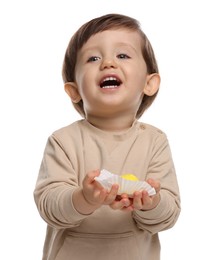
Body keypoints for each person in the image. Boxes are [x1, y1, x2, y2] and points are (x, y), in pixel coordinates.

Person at [33, 13, 181, 260]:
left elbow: (168, 216)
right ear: (74, 90)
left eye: (122, 55)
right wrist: (84, 199)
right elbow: (49, 206)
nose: (108, 63)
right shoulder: (63, 141)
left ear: (149, 83)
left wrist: (152, 203)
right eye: (93, 58)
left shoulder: (154, 141)